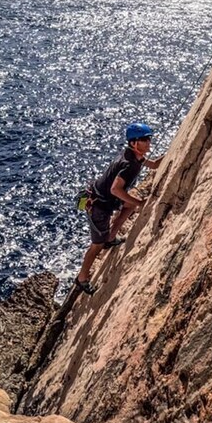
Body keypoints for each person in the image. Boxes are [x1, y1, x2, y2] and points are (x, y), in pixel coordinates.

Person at [74, 122, 163, 294]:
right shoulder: (129, 163)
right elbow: (116, 189)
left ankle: (111, 238)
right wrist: (141, 203)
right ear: (133, 143)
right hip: (99, 206)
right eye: (144, 139)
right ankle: (81, 278)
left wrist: (168, 155)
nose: (148, 142)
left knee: (128, 205)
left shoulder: (134, 155)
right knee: (96, 245)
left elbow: (153, 165)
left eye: (149, 138)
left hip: (106, 199)